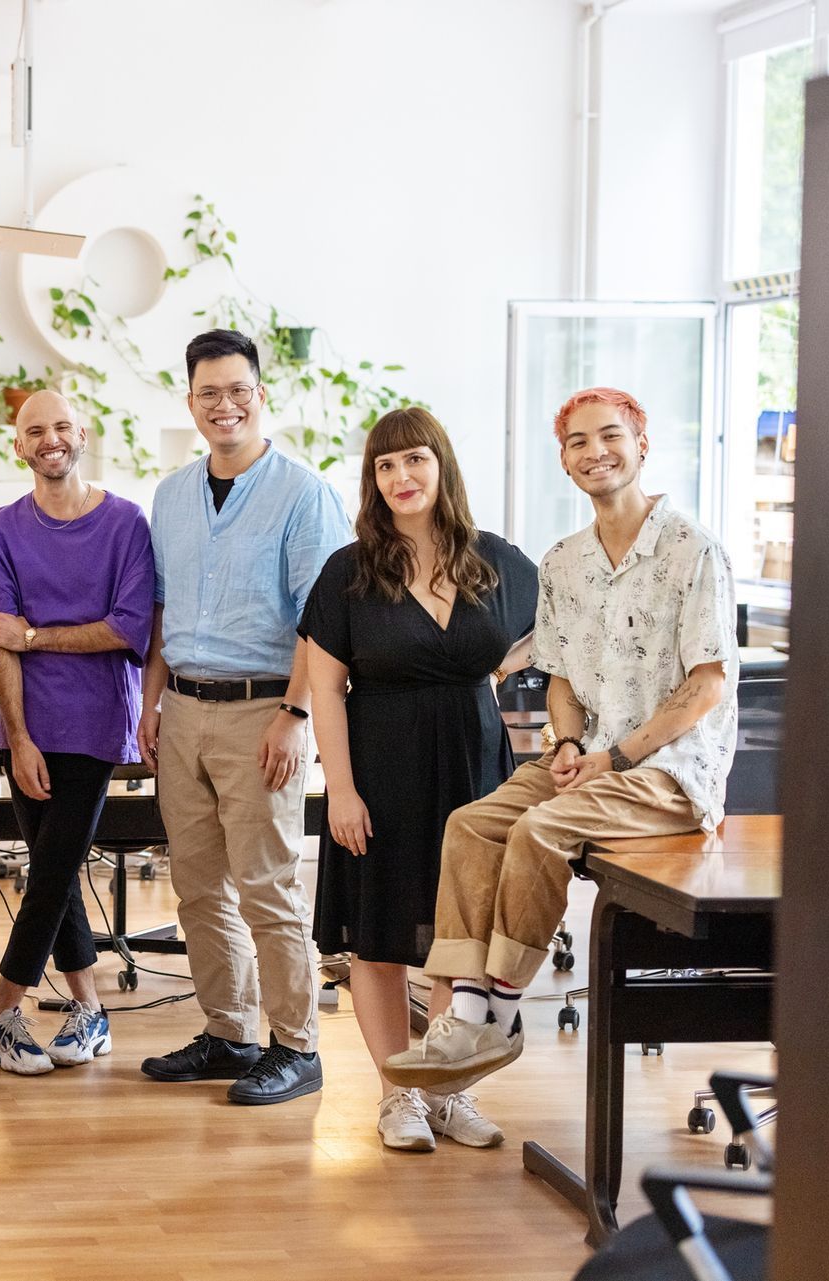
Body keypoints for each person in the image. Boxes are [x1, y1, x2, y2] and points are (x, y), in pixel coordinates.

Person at [385, 387, 737, 1093]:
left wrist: (617, 756)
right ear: (565, 461)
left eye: (609, 436)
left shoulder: (692, 551)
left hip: (665, 774)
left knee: (540, 830)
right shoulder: (565, 561)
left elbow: (707, 685)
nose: (594, 451)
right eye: (577, 441)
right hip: (592, 761)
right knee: (474, 823)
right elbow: (564, 678)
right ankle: (464, 1010)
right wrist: (571, 743)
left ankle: (502, 1007)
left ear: (642, 445)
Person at [298, 407, 537, 1151]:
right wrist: (340, 788)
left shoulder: (499, 561)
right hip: (379, 768)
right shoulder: (351, 569)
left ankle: (448, 1090)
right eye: (385, 465)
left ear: (442, 465)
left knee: (454, 937)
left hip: (476, 769)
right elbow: (324, 685)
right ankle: (398, 1091)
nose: (401, 477)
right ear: (373, 480)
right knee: (378, 935)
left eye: (414, 461)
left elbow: (541, 644)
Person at [137, 328, 349, 1106]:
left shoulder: (303, 492)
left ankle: (297, 1044)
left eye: (237, 390)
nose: (224, 405)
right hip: (184, 708)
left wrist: (294, 714)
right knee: (196, 886)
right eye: (207, 393)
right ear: (190, 402)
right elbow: (160, 609)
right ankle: (229, 1030)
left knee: (266, 884)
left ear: (261, 395)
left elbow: (324, 619)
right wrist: (152, 698)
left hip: (264, 707)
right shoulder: (171, 494)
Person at [0, 390, 155, 1077]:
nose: (49, 439)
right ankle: (90, 1009)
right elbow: (1, 642)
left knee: (48, 872)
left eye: (60, 427)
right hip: (25, 729)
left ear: (83, 434)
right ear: (19, 446)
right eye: (33, 431)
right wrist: (17, 738)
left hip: (95, 726)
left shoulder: (127, 524)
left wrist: (37, 633)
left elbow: (127, 628)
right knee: (59, 875)